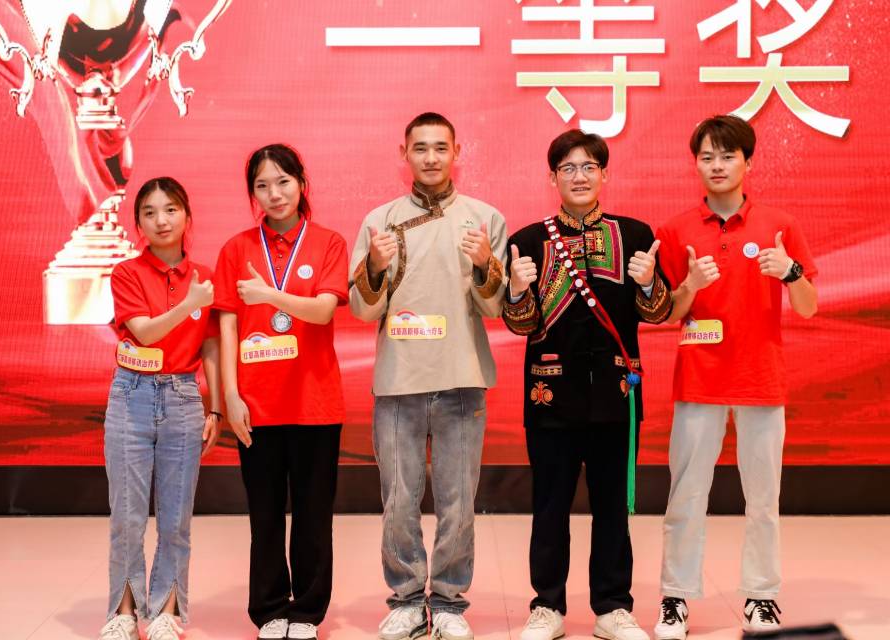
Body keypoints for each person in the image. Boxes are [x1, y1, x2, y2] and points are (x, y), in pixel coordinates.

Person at [652, 115, 818, 639]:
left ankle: (761, 597)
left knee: (764, 499)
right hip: (698, 379)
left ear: (748, 161)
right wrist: (690, 285)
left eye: (727, 156)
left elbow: (808, 306)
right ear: (696, 164)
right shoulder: (676, 230)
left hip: (761, 379)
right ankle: (676, 597)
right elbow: (667, 311)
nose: (717, 166)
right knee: (686, 494)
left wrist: (790, 272)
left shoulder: (779, 225)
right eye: (707, 157)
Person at [503, 130, 672, 640]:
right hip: (549, 395)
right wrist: (517, 290)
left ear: (605, 174)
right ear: (552, 177)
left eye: (589, 167)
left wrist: (649, 281)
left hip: (616, 397)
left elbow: (657, 312)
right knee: (549, 506)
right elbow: (521, 324)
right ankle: (547, 606)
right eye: (568, 168)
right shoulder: (527, 241)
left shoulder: (636, 235)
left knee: (613, 508)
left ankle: (613, 607)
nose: (579, 177)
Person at [349, 112, 507, 640]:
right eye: (421, 148)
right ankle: (406, 599)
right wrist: (374, 266)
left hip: (462, 377)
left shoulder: (484, 219)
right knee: (399, 499)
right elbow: (363, 310)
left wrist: (485, 263)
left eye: (441, 147)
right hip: (398, 382)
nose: (432, 158)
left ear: (457, 152)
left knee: (459, 501)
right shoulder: (380, 221)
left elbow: (495, 308)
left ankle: (449, 601)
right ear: (405, 154)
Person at [213, 144, 349, 640]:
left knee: (313, 515)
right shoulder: (236, 249)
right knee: (265, 514)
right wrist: (230, 396)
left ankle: (307, 611)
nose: (274, 194)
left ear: (302, 184)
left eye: (283, 182)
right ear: (252, 193)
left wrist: (269, 295)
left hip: (315, 402)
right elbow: (227, 326)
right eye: (262, 186)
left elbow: (323, 310)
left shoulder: (329, 242)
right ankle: (270, 608)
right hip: (257, 403)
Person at [99, 176, 221, 640]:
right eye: (149, 213)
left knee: (175, 518)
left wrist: (215, 409)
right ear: (138, 225)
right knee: (127, 516)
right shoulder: (127, 273)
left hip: (184, 397)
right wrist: (190, 304)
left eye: (170, 209)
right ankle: (124, 611)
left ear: (187, 216)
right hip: (131, 395)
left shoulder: (204, 277)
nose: (161, 220)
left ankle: (167, 609)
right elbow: (146, 332)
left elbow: (211, 346)